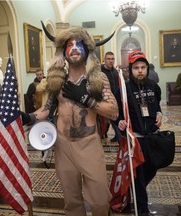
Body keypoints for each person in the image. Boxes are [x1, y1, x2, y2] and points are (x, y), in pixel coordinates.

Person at [22, 27, 118, 216]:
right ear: (63, 51)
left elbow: (113, 112)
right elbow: (47, 109)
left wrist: (87, 99)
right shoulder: (57, 80)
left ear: (87, 49)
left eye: (79, 44)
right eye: (69, 45)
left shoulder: (97, 79)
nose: (74, 48)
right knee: (72, 202)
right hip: (63, 146)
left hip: (89, 145)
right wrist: (28, 117)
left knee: (100, 201)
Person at [115, 50, 162, 216]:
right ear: (131, 69)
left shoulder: (153, 87)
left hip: (152, 137)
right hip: (135, 139)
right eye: (136, 67)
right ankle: (143, 209)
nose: (140, 70)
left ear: (147, 68)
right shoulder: (124, 89)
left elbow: (157, 105)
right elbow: (118, 112)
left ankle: (137, 189)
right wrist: (119, 121)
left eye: (143, 67)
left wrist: (159, 114)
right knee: (139, 174)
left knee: (153, 168)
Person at [100, 51, 121, 143]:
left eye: (112, 59)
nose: (110, 61)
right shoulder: (99, 71)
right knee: (107, 119)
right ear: (104, 60)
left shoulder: (115, 72)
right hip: (103, 99)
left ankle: (117, 136)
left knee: (114, 119)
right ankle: (104, 134)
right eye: (108, 59)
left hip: (115, 99)